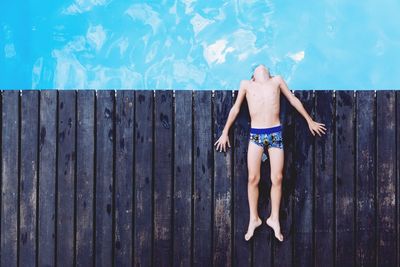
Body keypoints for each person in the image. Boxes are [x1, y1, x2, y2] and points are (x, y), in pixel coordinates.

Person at [214, 64, 326, 242]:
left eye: (263, 67)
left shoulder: (277, 80)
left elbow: (293, 100)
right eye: (258, 68)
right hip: (256, 135)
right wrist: (225, 131)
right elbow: (235, 108)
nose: (261, 67)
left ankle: (274, 219)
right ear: (253, 76)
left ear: (268, 73)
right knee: (253, 178)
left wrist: (310, 120)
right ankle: (254, 219)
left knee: (278, 178)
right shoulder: (246, 84)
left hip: (275, 133)